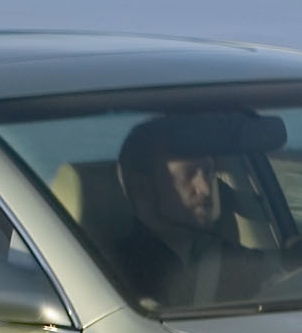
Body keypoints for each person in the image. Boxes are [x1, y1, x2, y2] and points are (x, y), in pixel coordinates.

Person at [116, 113, 278, 309]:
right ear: (140, 186)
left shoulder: (241, 263)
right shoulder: (110, 278)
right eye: (189, 174)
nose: (206, 188)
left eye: (208, 172)